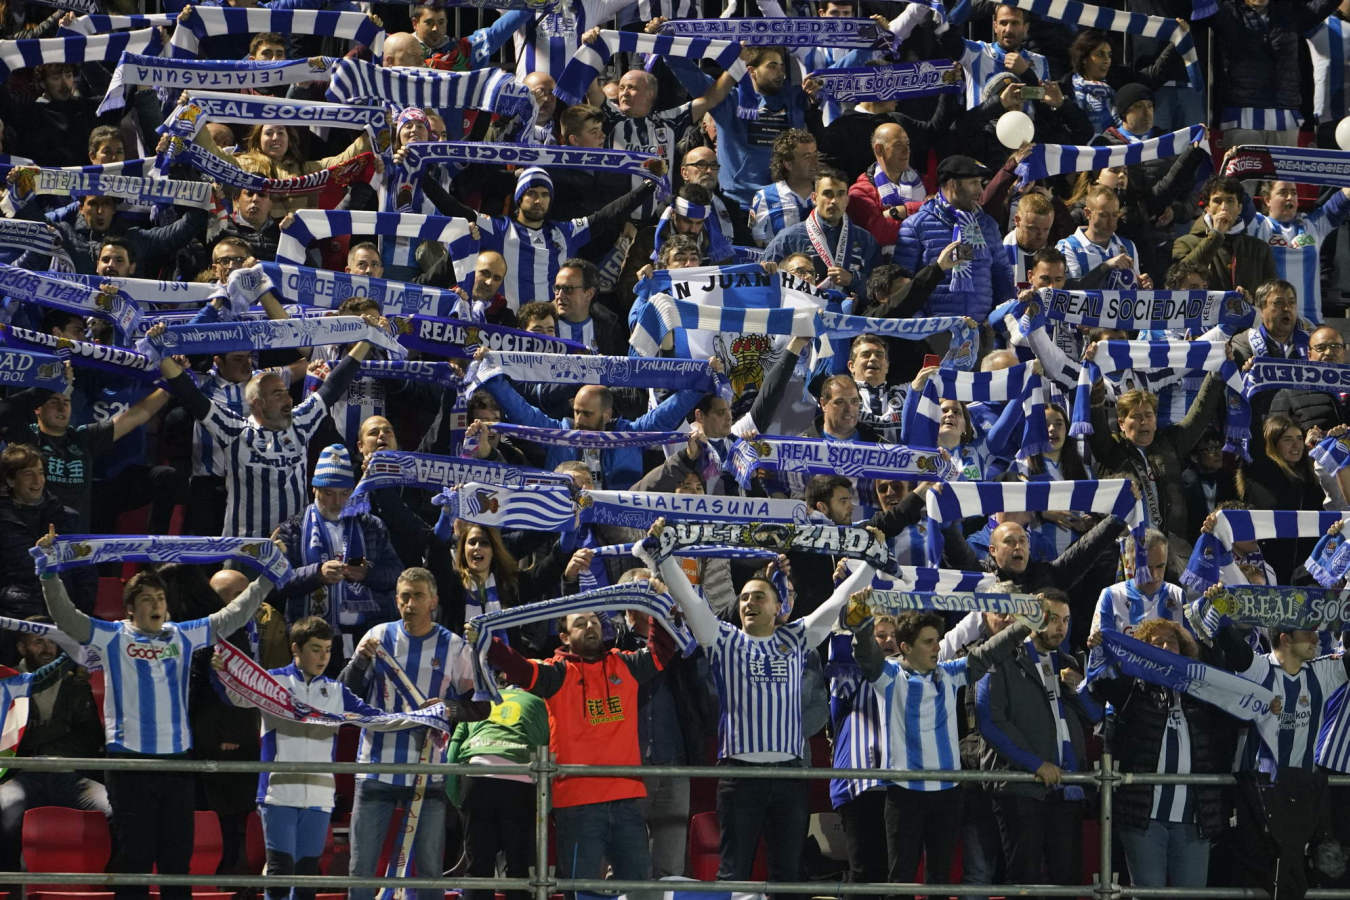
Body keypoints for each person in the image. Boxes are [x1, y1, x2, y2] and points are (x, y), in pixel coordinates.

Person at [38, 529, 281, 900]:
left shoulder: (183, 636)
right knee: (134, 862)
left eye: (160, 598)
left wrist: (268, 576)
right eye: (147, 598)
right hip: (128, 767)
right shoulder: (111, 636)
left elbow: (233, 615)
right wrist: (49, 573)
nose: (156, 604)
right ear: (131, 608)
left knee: (177, 864)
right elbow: (66, 618)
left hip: (177, 766)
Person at [642, 524, 877, 892]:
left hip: (789, 777)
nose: (749, 602)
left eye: (759, 597)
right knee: (732, 873)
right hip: (740, 778)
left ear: (778, 606)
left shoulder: (797, 636)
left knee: (788, 877)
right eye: (744, 598)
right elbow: (688, 600)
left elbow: (837, 603)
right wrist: (666, 554)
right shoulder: (722, 638)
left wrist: (871, 562)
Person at [478, 603, 677, 900]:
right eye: (580, 623)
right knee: (580, 890)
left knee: (642, 888)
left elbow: (662, 650)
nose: (590, 626)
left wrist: (660, 610)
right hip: (578, 803)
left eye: (594, 621)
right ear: (564, 636)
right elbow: (518, 667)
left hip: (626, 798)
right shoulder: (557, 673)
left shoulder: (625, 664)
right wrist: (485, 641)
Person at [213, 616, 419, 900]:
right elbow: (237, 699)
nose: (323, 657)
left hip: (320, 796)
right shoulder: (274, 682)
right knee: (280, 872)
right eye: (315, 649)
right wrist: (221, 674)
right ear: (296, 649)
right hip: (278, 793)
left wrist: (421, 718)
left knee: (308, 876)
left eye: (327, 649)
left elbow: (377, 719)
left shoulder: (335, 691)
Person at [848, 588, 1033, 891]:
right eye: (928, 642)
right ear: (905, 647)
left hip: (948, 792)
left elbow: (988, 653)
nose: (937, 648)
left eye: (937, 640)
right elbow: (865, 653)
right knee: (901, 881)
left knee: (940, 881)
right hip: (904, 794)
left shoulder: (949, 673)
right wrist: (860, 624)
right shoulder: (890, 676)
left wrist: (1025, 625)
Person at [157, 320, 382, 536]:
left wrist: (367, 339)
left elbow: (333, 386)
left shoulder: (301, 422)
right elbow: (191, 396)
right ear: (257, 403)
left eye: (286, 392)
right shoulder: (236, 431)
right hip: (244, 546)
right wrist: (158, 349)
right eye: (277, 394)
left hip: (292, 544)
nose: (288, 400)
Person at [341, 568, 486, 900]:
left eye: (418, 596)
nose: (410, 603)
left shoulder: (452, 646)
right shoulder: (377, 635)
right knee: (361, 869)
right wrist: (361, 661)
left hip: (428, 772)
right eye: (404, 596)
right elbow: (345, 693)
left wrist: (450, 708)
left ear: (433, 600)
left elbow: (481, 705)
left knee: (430, 872)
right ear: (396, 600)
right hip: (376, 768)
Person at [1084, 618, 1226, 894]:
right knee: (1148, 893)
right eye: (1155, 643)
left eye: (1171, 642)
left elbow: (1228, 695)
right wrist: (1099, 651)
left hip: (1194, 816)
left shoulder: (1201, 693)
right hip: (1145, 816)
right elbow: (1099, 686)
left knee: (1191, 894)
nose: (1163, 647)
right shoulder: (1134, 690)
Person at [976, 589, 1097, 900]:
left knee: (1067, 882)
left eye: (1066, 620)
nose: (1060, 627)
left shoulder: (1068, 662)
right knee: (1025, 882)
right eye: (1052, 618)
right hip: (1022, 787)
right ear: (1030, 618)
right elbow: (991, 722)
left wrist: (1079, 688)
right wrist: (1035, 765)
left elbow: (1096, 717)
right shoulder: (1000, 657)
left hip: (1067, 788)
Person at [273, 445, 402, 673]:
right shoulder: (292, 530)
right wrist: (316, 573)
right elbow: (277, 583)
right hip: (312, 640)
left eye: (344, 493)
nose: (337, 502)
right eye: (329, 493)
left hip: (368, 634)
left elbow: (396, 575)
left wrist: (368, 574)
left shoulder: (371, 525)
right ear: (315, 489)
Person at [0, 618, 108, 882]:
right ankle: (11, 885)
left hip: (70, 774)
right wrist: (59, 729)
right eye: (39, 641)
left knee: (113, 808)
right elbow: (7, 739)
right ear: (22, 647)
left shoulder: (76, 685)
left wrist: (39, 735)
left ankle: (107, 884)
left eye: (52, 641)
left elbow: (90, 738)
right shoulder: (9, 683)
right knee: (4, 810)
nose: (48, 648)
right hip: (23, 774)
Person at [896, 155, 1015, 325]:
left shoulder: (987, 225)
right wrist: (923, 328)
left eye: (981, 183)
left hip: (981, 333)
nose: (981, 191)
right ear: (953, 185)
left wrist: (996, 323)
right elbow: (901, 287)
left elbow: (1002, 277)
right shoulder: (915, 226)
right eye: (973, 183)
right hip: (934, 336)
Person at [763, 168, 879, 296]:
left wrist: (853, 280)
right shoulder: (788, 238)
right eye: (828, 194)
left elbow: (879, 292)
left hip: (852, 314)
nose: (834, 201)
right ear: (814, 198)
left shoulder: (866, 240)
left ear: (847, 200)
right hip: (802, 312)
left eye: (840, 194)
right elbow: (764, 282)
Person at [1171, 177, 1277, 293]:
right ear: (1207, 209)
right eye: (1217, 201)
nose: (1224, 207)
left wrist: (1249, 301)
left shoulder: (1259, 248)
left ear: (1239, 208)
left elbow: (1270, 295)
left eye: (1230, 200)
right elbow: (1179, 280)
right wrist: (1216, 235)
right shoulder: (1185, 242)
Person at [749, 129, 818, 246]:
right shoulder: (765, 197)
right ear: (788, 164)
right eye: (807, 157)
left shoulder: (826, 193)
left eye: (815, 155)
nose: (814, 161)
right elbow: (758, 244)